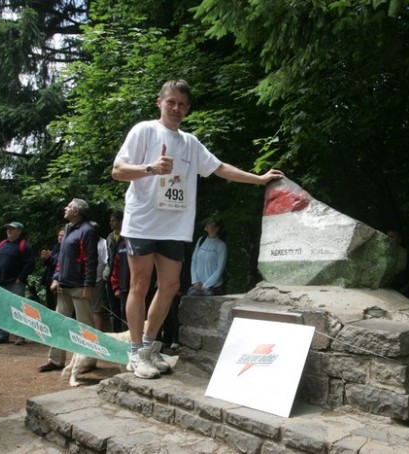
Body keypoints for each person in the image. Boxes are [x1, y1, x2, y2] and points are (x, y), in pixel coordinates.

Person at [112, 79, 283, 379]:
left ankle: (149, 346)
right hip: (142, 222)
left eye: (182, 105)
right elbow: (118, 170)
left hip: (174, 226)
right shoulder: (144, 131)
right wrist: (151, 168)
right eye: (171, 102)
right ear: (159, 103)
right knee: (140, 284)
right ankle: (135, 352)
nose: (176, 108)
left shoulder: (190, 143)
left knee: (170, 286)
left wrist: (258, 179)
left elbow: (220, 168)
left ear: (188, 109)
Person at [38, 198, 98, 372]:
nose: (66, 208)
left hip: (79, 286)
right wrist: (56, 277)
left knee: (84, 326)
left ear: (76, 212)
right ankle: (56, 360)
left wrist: (88, 286)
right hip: (63, 285)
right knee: (58, 324)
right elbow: (62, 257)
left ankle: (88, 361)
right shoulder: (67, 228)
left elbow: (91, 260)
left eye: (69, 206)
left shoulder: (88, 230)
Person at [0, 221, 35, 346]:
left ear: (19, 231)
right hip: (0, 282)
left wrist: (20, 278)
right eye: (8, 228)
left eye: (12, 229)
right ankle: (2, 335)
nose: (9, 230)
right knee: (1, 309)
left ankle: (20, 336)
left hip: (16, 283)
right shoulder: (2, 244)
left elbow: (30, 264)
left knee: (18, 310)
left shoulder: (24, 246)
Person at [188, 218, 227, 296]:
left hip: (214, 288)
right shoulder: (201, 240)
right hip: (198, 286)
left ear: (217, 228)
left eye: (211, 223)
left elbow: (220, 268)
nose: (207, 224)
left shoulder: (221, 245)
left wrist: (206, 285)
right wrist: (195, 281)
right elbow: (194, 260)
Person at [105, 211, 126, 332]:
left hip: (123, 277)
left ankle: (125, 334)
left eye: (113, 220)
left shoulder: (127, 236)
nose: (110, 223)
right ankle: (115, 333)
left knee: (124, 310)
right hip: (109, 275)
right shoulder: (110, 237)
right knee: (113, 310)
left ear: (121, 221)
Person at [39, 227, 64, 311]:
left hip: (59, 281)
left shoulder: (68, 249)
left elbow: (59, 262)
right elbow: (49, 263)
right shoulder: (55, 247)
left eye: (62, 235)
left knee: (59, 306)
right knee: (50, 305)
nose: (60, 237)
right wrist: (45, 258)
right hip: (49, 279)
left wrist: (49, 258)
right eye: (59, 235)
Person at [90, 221, 109, 331]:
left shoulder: (103, 243)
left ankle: (97, 335)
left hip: (97, 281)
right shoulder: (85, 241)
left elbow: (107, 262)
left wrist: (103, 277)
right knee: (84, 309)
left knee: (96, 309)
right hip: (83, 281)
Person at [386, 227, 409, 297]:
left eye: (392, 237)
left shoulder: (405, 256)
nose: (389, 240)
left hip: (400, 292)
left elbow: (407, 280)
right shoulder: (384, 253)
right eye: (387, 237)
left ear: (399, 239)